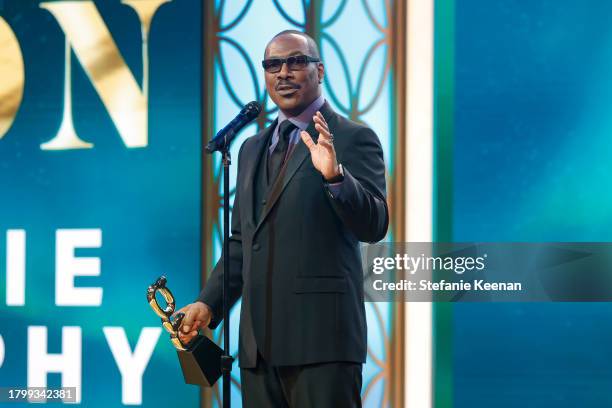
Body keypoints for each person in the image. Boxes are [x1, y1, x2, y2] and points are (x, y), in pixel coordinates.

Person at [176, 30, 388, 407]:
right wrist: (209, 304)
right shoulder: (250, 149)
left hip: (323, 344)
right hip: (259, 351)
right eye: (273, 64)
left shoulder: (352, 137)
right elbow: (243, 241)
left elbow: (375, 225)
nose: (283, 72)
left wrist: (336, 177)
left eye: (295, 61)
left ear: (319, 70)